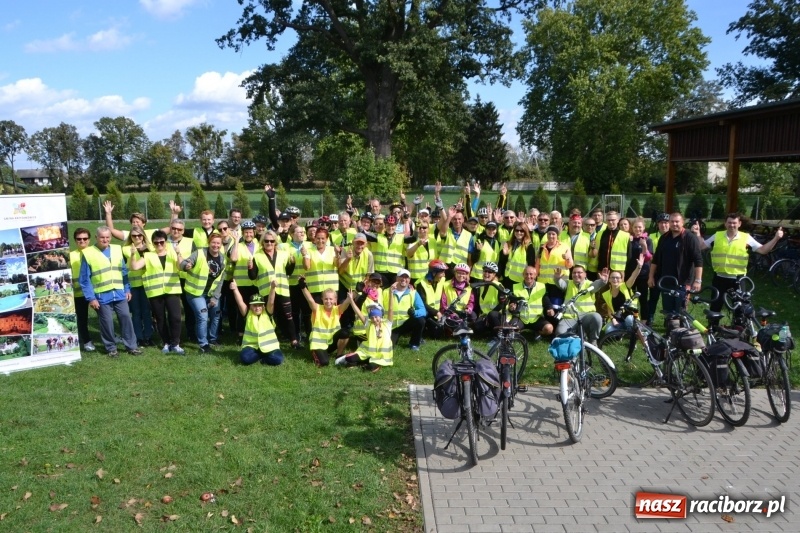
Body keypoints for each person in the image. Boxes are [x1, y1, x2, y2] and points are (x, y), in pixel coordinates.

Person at [694, 212, 783, 312]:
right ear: (725, 223)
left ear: (739, 224)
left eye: (734, 223)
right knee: (715, 307)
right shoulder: (717, 236)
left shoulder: (746, 238)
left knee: (739, 310)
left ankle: (738, 327)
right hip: (719, 278)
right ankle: (713, 327)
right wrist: (697, 233)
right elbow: (701, 246)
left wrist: (776, 238)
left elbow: (763, 250)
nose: (732, 225)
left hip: (738, 279)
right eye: (729, 222)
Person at [78, 226, 141, 357]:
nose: (105, 239)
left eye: (107, 237)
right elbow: (84, 279)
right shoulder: (88, 253)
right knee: (106, 322)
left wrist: (127, 288)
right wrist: (91, 298)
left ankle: (132, 346)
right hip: (101, 294)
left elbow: (124, 272)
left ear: (110, 237)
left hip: (119, 292)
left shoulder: (117, 249)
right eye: (102, 237)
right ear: (96, 237)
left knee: (125, 318)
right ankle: (111, 348)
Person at [129, 229, 185, 355]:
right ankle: (166, 342)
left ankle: (176, 343)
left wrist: (179, 254)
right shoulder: (148, 255)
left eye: (161, 242)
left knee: (175, 317)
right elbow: (134, 267)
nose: (159, 245)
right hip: (155, 292)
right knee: (160, 319)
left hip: (172, 290)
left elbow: (180, 266)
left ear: (166, 242)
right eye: (156, 243)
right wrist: (133, 255)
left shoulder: (173, 252)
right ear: (153, 244)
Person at [249, 229, 300, 349]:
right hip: (266, 291)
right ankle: (270, 341)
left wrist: (292, 264)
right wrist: (250, 268)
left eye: (272, 241)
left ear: (275, 242)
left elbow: (288, 272)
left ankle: (294, 341)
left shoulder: (283, 254)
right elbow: (252, 277)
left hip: (282, 290)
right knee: (268, 317)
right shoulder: (257, 256)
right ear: (262, 242)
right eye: (266, 241)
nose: (269, 243)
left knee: (288, 316)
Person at [648, 212, 703, 315]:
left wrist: (698, 280)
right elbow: (655, 259)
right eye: (672, 221)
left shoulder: (690, 238)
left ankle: (681, 330)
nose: (674, 224)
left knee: (681, 311)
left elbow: (698, 260)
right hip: (666, 281)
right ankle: (670, 329)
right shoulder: (664, 237)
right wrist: (651, 277)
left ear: (682, 222)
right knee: (668, 312)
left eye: (677, 221)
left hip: (683, 282)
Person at [181, 232, 227, 352]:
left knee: (216, 314)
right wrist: (186, 265)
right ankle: (203, 344)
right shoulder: (199, 253)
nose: (215, 245)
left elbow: (221, 280)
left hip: (211, 293)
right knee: (203, 315)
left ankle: (212, 338)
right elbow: (184, 263)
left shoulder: (222, 259)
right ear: (209, 243)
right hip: (195, 292)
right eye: (213, 242)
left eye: (218, 243)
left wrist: (215, 297)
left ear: (221, 245)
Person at [230, 279, 284, 366]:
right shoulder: (247, 313)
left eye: (260, 305)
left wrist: (273, 288)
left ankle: (263, 357)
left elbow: (271, 302)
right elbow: (240, 303)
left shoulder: (267, 312)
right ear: (250, 306)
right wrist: (235, 289)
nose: (257, 308)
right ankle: (261, 356)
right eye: (254, 305)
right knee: (245, 358)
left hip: (270, 346)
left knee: (278, 359)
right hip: (252, 346)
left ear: (263, 306)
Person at [336, 297, 394, 372]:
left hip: (381, 357)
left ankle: (366, 364)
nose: (374, 319)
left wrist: (391, 293)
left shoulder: (387, 324)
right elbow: (358, 313)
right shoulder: (369, 324)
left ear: (380, 316)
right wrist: (351, 300)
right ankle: (357, 361)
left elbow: (391, 308)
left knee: (370, 368)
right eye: (372, 317)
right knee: (349, 359)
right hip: (367, 353)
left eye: (376, 317)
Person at [301, 285, 352, 366]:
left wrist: (353, 295)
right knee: (324, 363)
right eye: (326, 299)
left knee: (345, 332)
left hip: (330, 342)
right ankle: (315, 353)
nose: (328, 301)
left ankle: (339, 356)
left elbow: (346, 303)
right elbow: (310, 299)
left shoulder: (337, 309)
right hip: (318, 344)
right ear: (322, 299)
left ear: (335, 299)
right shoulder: (317, 308)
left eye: (331, 299)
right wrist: (303, 287)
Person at [122, 226, 154, 347]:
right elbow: (125, 267)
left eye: (139, 235)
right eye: (134, 235)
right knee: (136, 312)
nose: (137, 238)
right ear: (130, 237)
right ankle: (139, 337)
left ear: (143, 236)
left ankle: (149, 336)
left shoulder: (150, 248)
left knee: (147, 311)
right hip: (132, 285)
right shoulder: (125, 249)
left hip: (147, 284)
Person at [554, 264, 602, 343]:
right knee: (560, 333)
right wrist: (557, 278)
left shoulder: (589, 284)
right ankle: (577, 336)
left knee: (597, 317)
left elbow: (597, 285)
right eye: (574, 273)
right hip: (569, 317)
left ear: (585, 274)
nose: (576, 275)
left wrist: (602, 281)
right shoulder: (568, 283)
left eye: (579, 272)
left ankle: (593, 340)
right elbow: (560, 284)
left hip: (587, 316)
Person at [598, 255, 643, 334]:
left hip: (630, 316)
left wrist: (639, 267)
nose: (615, 279)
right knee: (608, 331)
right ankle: (622, 332)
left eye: (617, 278)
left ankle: (631, 334)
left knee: (629, 319)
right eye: (613, 277)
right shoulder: (606, 294)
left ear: (621, 279)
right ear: (609, 280)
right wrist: (613, 320)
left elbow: (633, 276)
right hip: (618, 319)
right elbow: (610, 311)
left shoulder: (625, 286)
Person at [230, 220, 259, 343]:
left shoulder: (259, 244)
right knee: (242, 310)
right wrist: (236, 241)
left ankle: (255, 331)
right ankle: (241, 334)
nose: (248, 235)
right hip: (242, 284)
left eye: (250, 232)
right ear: (243, 233)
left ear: (254, 233)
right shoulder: (238, 246)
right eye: (246, 232)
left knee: (256, 308)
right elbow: (233, 258)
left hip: (256, 283)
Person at [382, 268, 426, 350]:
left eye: (406, 278)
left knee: (420, 320)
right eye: (401, 277)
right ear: (396, 278)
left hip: (405, 324)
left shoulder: (413, 292)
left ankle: (414, 344)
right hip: (390, 326)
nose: (404, 279)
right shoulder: (385, 292)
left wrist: (414, 313)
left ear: (409, 280)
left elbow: (423, 311)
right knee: (388, 348)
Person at [70, 228, 97, 352]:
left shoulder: (95, 252)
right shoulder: (70, 255)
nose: (82, 241)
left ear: (89, 239)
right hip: (78, 294)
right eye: (79, 239)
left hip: (95, 292)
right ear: (75, 240)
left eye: (85, 239)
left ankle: (111, 336)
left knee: (104, 317)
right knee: (82, 319)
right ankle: (86, 341)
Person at [509, 265, 555, 336]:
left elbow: (546, 301)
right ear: (523, 275)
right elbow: (512, 301)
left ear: (535, 275)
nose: (528, 276)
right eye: (526, 274)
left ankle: (538, 333)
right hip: (521, 318)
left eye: (531, 274)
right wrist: (512, 306)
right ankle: (518, 331)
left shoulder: (541, 286)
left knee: (549, 329)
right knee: (510, 329)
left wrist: (550, 309)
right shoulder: (515, 287)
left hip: (536, 318)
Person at [536, 225, 573, 304]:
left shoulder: (564, 247)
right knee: (544, 305)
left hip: (557, 282)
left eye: (553, 234)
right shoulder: (542, 247)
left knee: (555, 306)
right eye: (549, 234)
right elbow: (537, 264)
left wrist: (567, 258)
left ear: (557, 235)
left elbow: (569, 265)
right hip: (543, 282)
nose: (551, 236)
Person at [626, 217, 654, 323]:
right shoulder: (629, 239)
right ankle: (630, 320)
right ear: (632, 228)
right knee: (630, 298)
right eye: (635, 227)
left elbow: (648, 258)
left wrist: (644, 246)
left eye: (640, 227)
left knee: (643, 298)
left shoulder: (648, 240)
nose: (638, 229)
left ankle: (644, 321)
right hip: (630, 273)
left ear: (643, 228)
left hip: (643, 273)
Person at [647, 212, 671, 323]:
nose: (664, 225)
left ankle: (669, 319)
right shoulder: (651, 237)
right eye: (661, 223)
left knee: (668, 298)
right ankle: (650, 317)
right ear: (658, 224)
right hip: (655, 271)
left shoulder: (674, 237)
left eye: (666, 223)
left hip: (668, 272)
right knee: (653, 297)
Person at [499, 222, 537, 290]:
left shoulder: (529, 246)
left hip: (520, 280)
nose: (519, 232)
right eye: (516, 230)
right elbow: (502, 262)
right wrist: (504, 255)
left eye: (521, 231)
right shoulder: (509, 243)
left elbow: (531, 265)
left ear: (525, 232)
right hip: (507, 278)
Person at [416, 259, 449, 338]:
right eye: (442, 272)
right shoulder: (421, 284)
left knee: (439, 335)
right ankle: (419, 335)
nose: (444, 275)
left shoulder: (442, 280)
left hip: (435, 313)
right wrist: (436, 312)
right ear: (434, 273)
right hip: (425, 312)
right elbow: (422, 303)